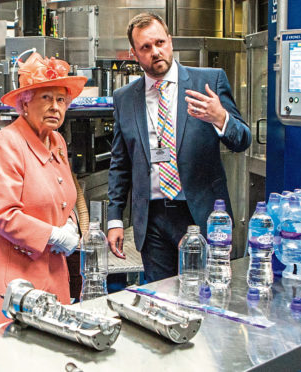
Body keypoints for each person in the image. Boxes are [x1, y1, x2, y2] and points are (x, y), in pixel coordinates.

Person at [107, 13, 251, 282]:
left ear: (170, 41)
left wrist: (221, 118)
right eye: (145, 48)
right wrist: (114, 218)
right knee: (161, 298)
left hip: (201, 214)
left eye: (160, 42)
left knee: (209, 296)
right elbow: (120, 163)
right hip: (152, 220)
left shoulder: (208, 82)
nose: (155, 52)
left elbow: (242, 140)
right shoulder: (125, 98)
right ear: (134, 54)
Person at [0, 53, 88, 330]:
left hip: (52, 268)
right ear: (25, 103)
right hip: (15, 271)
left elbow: (63, 197)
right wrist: (54, 235)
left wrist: (70, 223)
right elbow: (4, 214)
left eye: (61, 100)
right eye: (45, 98)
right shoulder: (6, 143)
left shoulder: (57, 140)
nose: (55, 107)